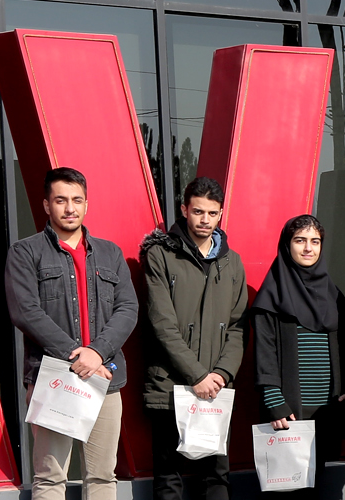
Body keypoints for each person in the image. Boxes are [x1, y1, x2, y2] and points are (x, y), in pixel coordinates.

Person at [6, 167, 137, 500]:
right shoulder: (26, 252)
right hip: (53, 376)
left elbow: (128, 309)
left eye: (77, 200)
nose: (69, 208)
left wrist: (97, 352)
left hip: (104, 379)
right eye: (60, 200)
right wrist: (77, 354)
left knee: (103, 475)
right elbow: (25, 311)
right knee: (50, 477)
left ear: (86, 204)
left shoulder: (110, 253)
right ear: (46, 205)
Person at [140, 176, 249, 500]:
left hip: (215, 388)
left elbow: (237, 326)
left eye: (212, 213)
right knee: (169, 480)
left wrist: (220, 375)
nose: (205, 220)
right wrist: (197, 375)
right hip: (169, 385)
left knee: (216, 478)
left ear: (220, 214)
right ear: (185, 209)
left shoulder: (232, 262)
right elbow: (162, 324)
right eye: (198, 211)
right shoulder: (160, 255)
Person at [251, 214, 345, 493]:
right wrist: (274, 401)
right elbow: (264, 351)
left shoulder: (331, 293)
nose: (308, 248)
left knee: (321, 487)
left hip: (327, 410)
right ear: (287, 244)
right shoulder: (272, 293)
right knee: (287, 492)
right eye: (300, 240)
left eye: (315, 241)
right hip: (288, 412)